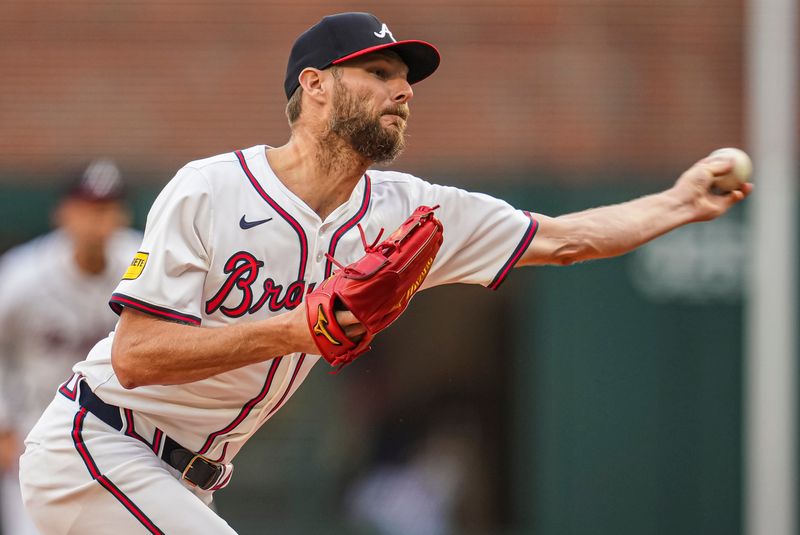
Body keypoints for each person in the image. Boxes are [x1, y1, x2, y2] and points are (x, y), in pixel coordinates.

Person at [18, 12, 751, 535]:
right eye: (378, 72)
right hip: (100, 442)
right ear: (316, 87)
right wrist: (295, 327)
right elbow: (136, 356)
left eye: (406, 79)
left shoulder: (410, 211)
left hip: (187, 479)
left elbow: (562, 239)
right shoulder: (209, 189)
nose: (403, 90)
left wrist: (678, 201)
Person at [0, 159, 141, 535]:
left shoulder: (143, 264)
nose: (98, 220)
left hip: (125, 446)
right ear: (63, 213)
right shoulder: (23, 274)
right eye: (87, 208)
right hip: (38, 441)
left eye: (108, 208)